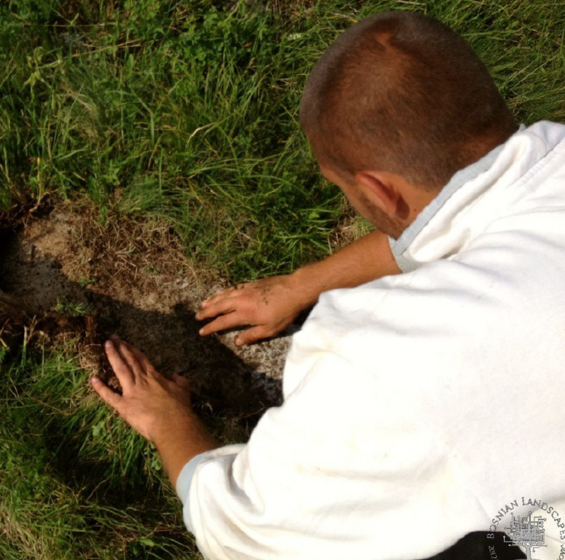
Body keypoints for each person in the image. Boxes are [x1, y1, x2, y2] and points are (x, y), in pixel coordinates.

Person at [91, 11, 565, 560]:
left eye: (341, 188)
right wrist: (299, 284)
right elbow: (455, 215)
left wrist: (169, 421)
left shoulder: (382, 362)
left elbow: (245, 527)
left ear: (378, 191)